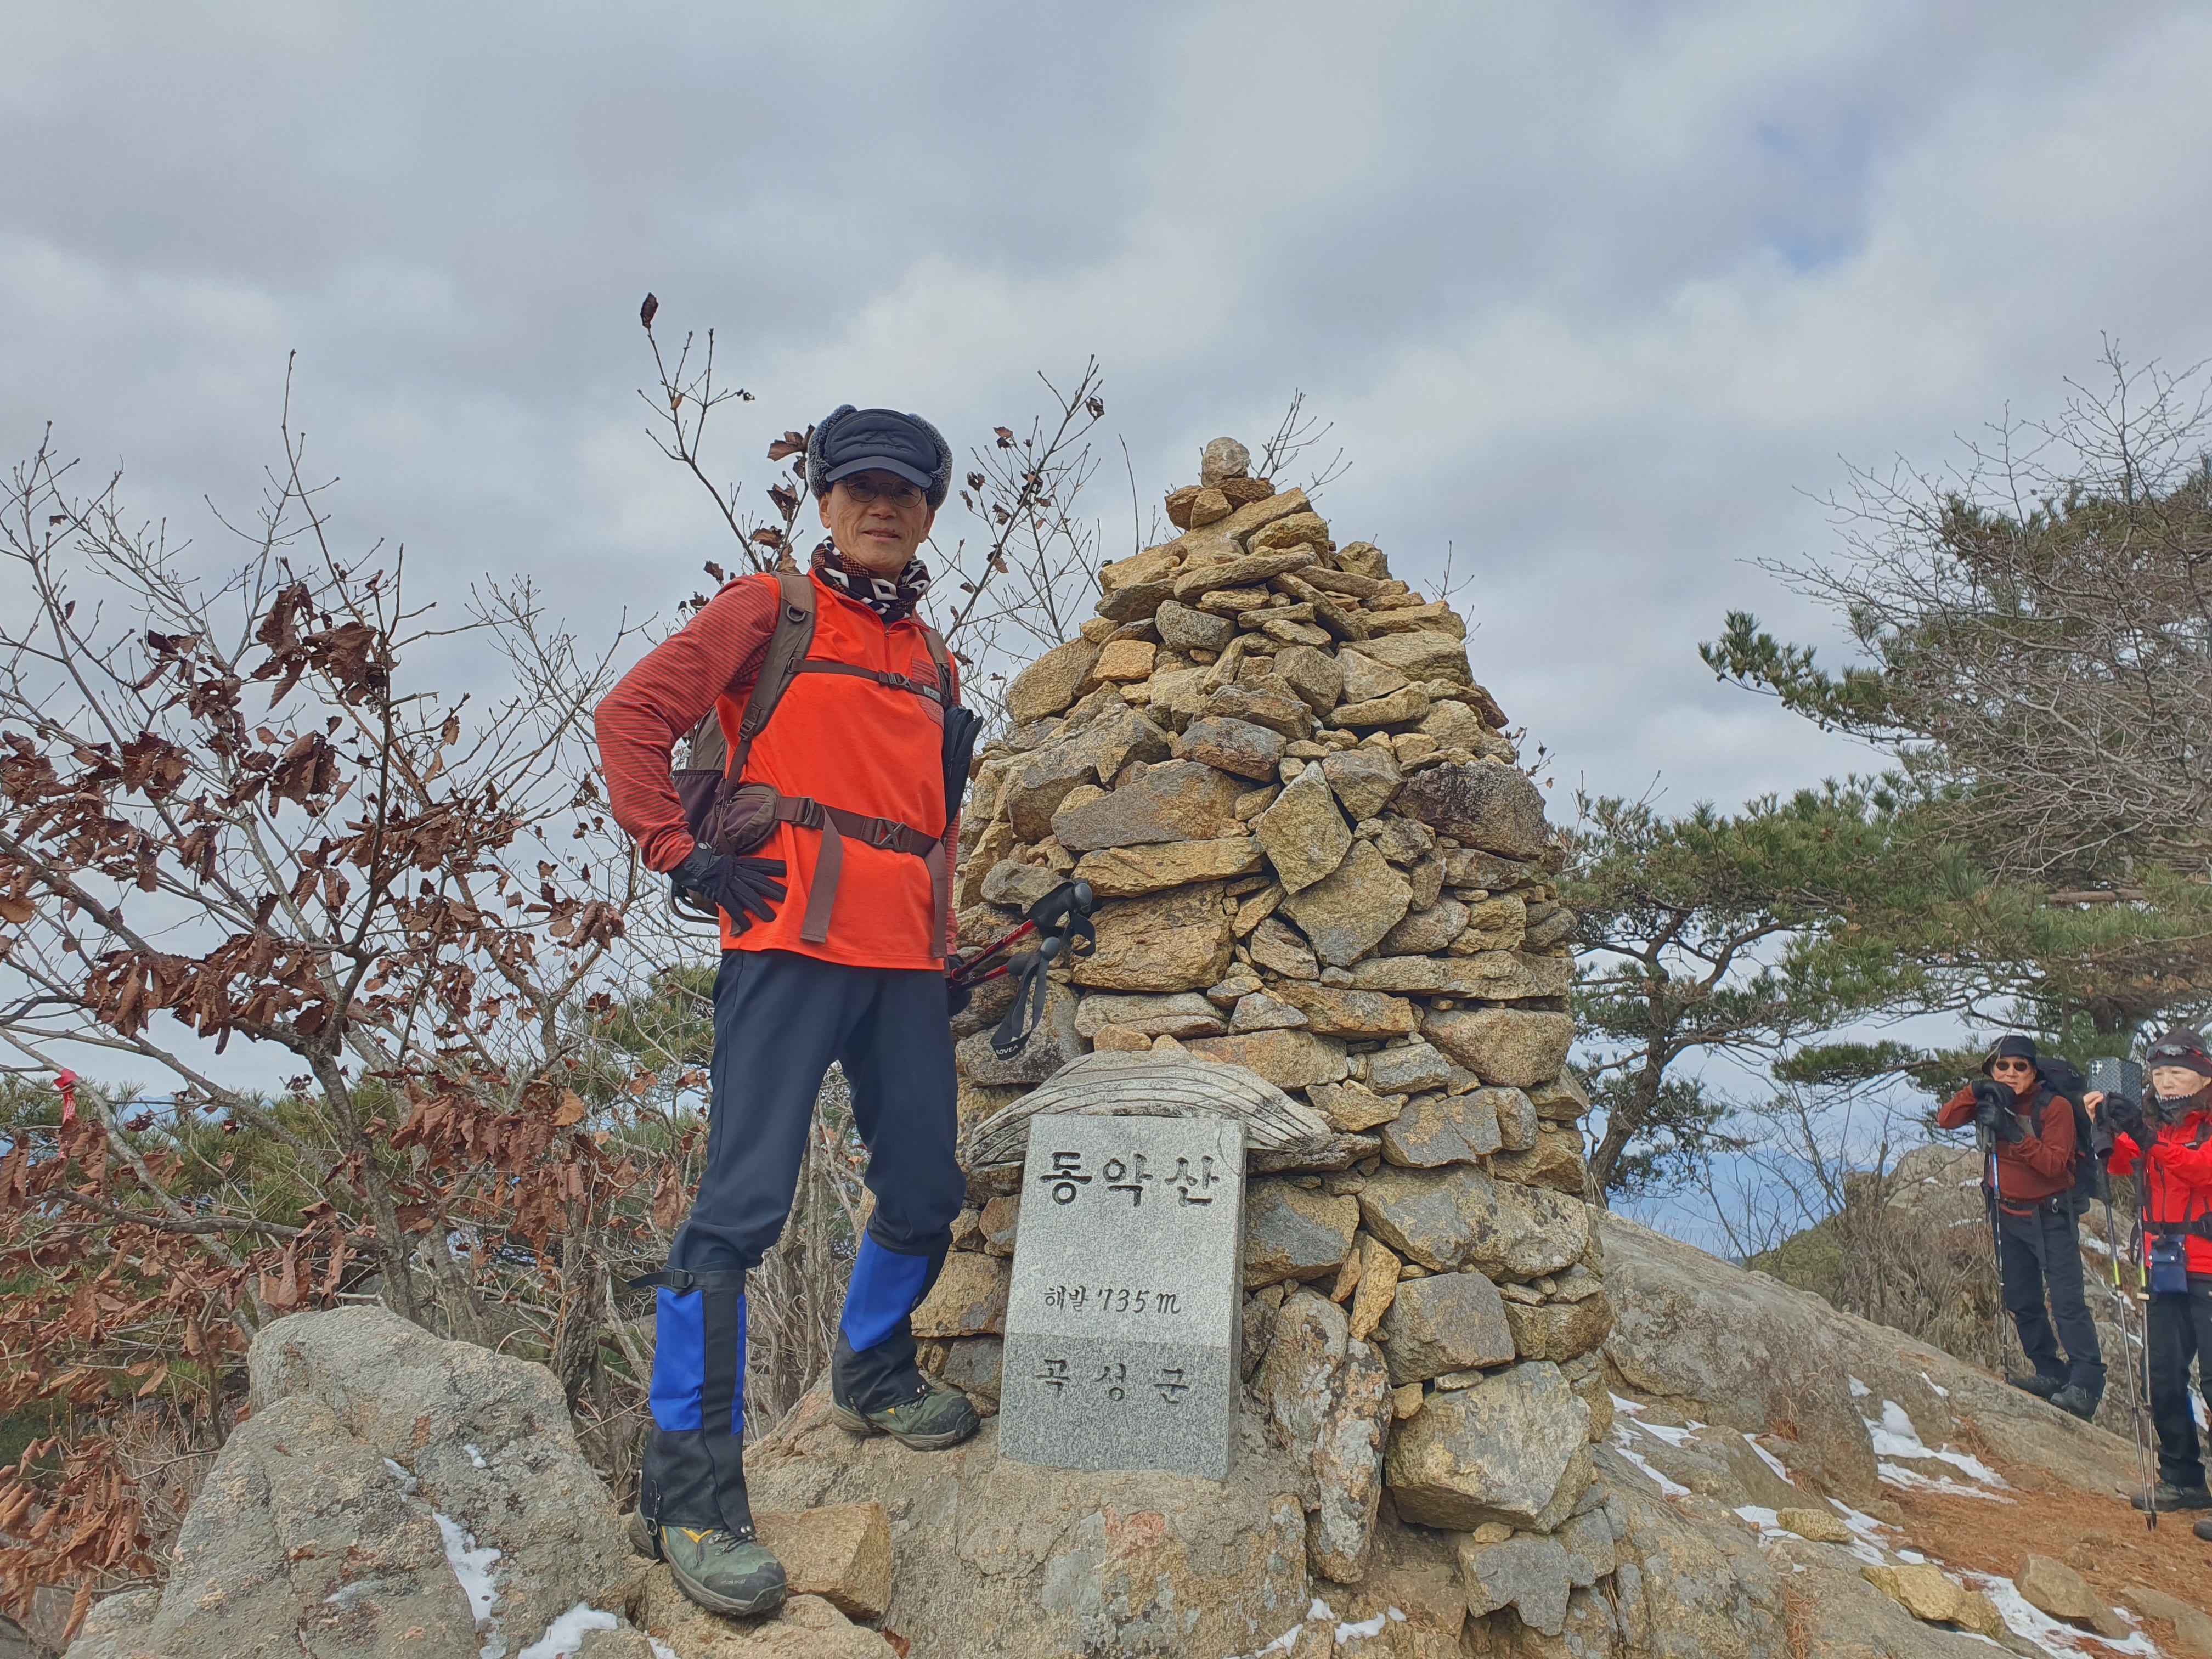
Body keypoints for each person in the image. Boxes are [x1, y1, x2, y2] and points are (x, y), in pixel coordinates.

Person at [594, 405, 979, 1616]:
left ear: (929, 514)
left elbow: (934, 822)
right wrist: (677, 852)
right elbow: (629, 716)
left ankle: (872, 1369)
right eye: (861, 487)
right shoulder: (770, 611)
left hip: (903, 962)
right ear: (823, 500)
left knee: (925, 1187)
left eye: (905, 493)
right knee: (739, 1214)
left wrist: (945, 946)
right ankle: (688, 1494)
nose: (882, 506)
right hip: (785, 944)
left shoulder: (934, 660)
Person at [1936, 1036, 2104, 1419]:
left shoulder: (2055, 1107)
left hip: (2050, 1216)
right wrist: (1976, 1090)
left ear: (2034, 1071)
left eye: (2020, 1067)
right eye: (2002, 1066)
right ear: (1992, 1069)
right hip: (2006, 1214)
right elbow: (1946, 1119)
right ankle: (2049, 1371)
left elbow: (2055, 1166)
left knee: (2067, 1303)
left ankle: (2086, 1383)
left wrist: (2014, 1133)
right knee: (2021, 1300)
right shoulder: (1991, 1099)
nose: (2011, 1073)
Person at [2089, 1028, 2212, 1523]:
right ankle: (2182, 1477)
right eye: (2159, 1073)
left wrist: (2145, 1138)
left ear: (2204, 1077)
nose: (2166, 1082)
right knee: (2161, 1376)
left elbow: (2200, 1170)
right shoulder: (2151, 1124)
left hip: (2207, 1266)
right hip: (2163, 1266)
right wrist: (2104, 1126)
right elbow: (2122, 1164)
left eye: (2177, 1072)